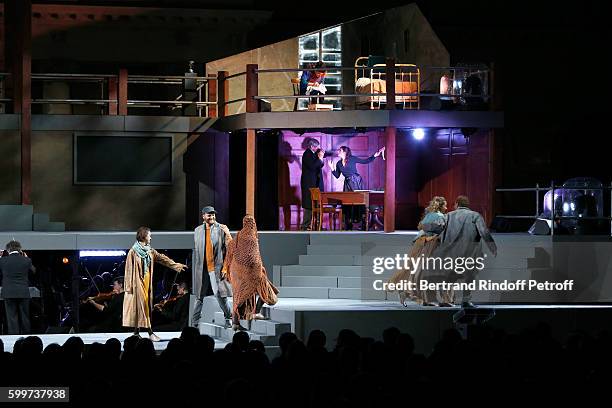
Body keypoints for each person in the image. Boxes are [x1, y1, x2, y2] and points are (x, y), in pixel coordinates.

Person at [122, 227, 187, 341]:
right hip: (137, 284)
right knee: (142, 307)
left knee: (144, 307)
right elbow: (128, 270)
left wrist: (176, 265)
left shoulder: (149, 250)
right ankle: (150, 332)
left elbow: (162, 258)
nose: (151, 237)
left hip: (147, 283)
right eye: (149, 235)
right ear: (143, 236)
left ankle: (136, 333)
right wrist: (129, 288)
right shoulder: (133, 251)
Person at [388, 197, 451, 306]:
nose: (446, 207)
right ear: (440, 207)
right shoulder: (441, 217)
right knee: (423, 271)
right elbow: (440, 231)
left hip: (418, 242)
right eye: (445, 205)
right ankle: (411, 292)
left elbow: (422, 227)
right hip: (429, 244)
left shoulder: (429, 214)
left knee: (410, 266)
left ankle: (398, 287)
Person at [438, 195, 497, 307]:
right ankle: (465, 301)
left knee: (449, 277)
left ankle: (444, 300)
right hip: (469, 253)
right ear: (467, 205)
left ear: (456, 204)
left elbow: (439, 232)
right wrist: (492, 247)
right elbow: (484, 232)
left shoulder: (448, 216)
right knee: (469, 277)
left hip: (451, 253)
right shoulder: (475, 216)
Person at [223, 215, 279, 331]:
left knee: (238, 297)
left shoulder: (238, 235)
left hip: (236, 272)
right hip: (252, 272)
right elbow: (255, 258)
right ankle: (256, 312)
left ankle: (235, 323)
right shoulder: (252, 238)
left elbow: (230, 249)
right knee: (267, 292)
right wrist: (260, 269)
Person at [192, 206, 233, 328]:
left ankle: (228, 317)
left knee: (220, 295)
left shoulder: (221, 229)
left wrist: (225, 268)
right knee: (199, 297)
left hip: (217, 268)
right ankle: (194, 324)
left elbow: (230, 248)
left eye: (213, 215)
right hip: (201, 269)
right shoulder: (197, 230)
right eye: (209, 215)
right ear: (203, 216)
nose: (212, 217)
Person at [328, 145, 385, 229]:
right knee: (347, 202)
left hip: (355, 181)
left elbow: (365, 161)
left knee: (358, 201)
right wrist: (332, 168)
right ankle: (349, 223)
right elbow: (337, 175)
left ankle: (361, 223)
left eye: (339, 150)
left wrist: (375, 155)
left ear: (344, 152)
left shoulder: (352, 159)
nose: (338, 152)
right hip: (347, 183)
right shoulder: (339, 163)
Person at [0, 240, 36, 335]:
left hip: (9, 292)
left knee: (12, 317)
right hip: (23, 292)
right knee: (25, 316)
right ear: (20, 249)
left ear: (8, 250)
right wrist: (27, 259)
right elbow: (34, 271)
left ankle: (14, 337)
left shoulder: (2, 260)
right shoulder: (27, 260)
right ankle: (26, 336)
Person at [300, 138, 325, 231]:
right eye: (316, 146)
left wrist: (320, 158)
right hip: (309, 184)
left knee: (315, 204)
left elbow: (319, 165)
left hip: (314, 184)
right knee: (308, 205)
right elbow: (312, 166)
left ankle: (316, 226)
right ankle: (305, 226)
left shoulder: (313, 154)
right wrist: (320, 158)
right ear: (312, 146)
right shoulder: (307, 154)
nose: (317, 148)